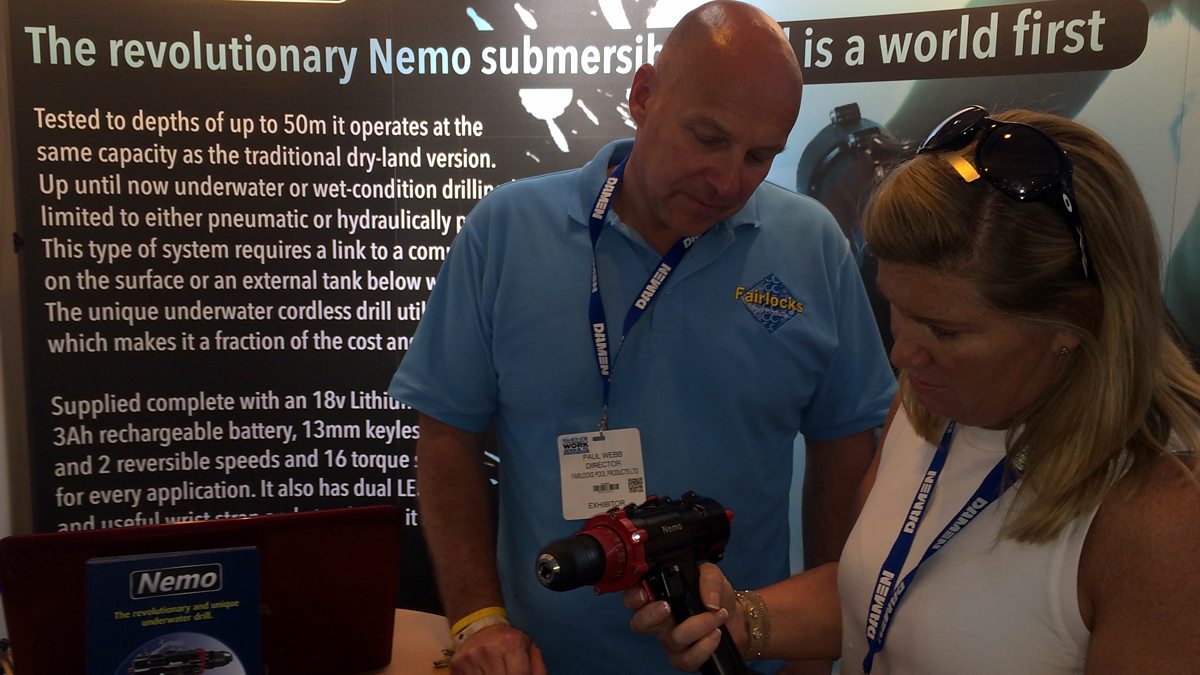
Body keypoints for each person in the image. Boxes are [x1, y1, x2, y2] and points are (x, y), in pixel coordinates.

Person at [387, 2, 896, 673]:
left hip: (742, 659)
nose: (727, 182)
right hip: (546, 662)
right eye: (708, 138)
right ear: (644, 95)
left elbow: (844, 447)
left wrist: (817, 647)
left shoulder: (811, 245)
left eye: (758, 156)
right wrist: (479, 619)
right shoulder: (507, 231)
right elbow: (446, 436)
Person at [627, 107, 1200, 672]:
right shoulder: (924, 404)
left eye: (944, 331)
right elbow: (876, 594)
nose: (902, 355)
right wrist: (743, 618)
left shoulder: (1162, 519)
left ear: (1076, 321)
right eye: (896, 308)